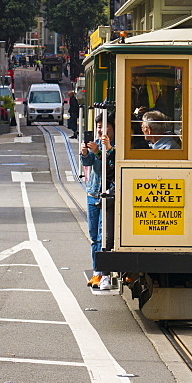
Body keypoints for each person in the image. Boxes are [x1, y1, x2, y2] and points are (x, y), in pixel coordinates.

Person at [81, 113, 115, 290]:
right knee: (94, 236)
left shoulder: (114, 146)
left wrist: (100, 151)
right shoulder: (95, 142)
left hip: (108, 194)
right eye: (99, 126)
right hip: (93, 192)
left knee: (104, 237)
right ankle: (96, 272)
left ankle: (105, 274)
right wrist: (85, 153)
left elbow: (111, 166)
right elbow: (89, 164)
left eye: (105, 126)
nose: (102, 130)